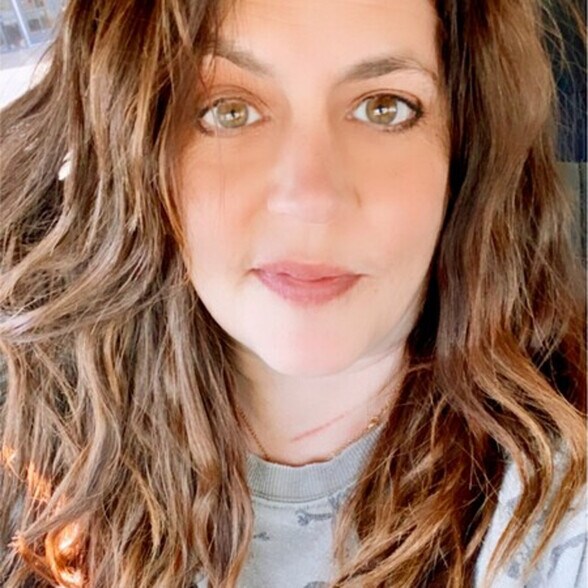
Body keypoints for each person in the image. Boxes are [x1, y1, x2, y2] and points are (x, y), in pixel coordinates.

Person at [0, 0, 585, 586]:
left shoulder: (561, 509)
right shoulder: (38, 446)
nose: (311, 199)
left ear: (464, 153)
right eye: (228, 111)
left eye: (384, 108)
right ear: (140, 157)